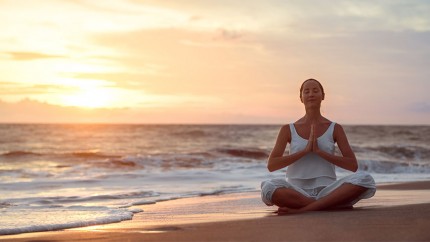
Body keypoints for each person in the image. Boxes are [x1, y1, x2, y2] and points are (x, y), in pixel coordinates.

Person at [261, 78, 376, 215]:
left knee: (365, 179)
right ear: (301, 98)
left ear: (323, 96)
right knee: (268, 187)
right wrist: (305, 151)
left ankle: (305, 209)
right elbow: (272, 165)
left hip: (328, 190)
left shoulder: (335, 128)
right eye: (306, 91)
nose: (311, 94)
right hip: (296, 192)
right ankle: (329, 206)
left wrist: (319, 152)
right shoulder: (288, 129)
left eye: (315, 91)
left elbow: (352, 165)